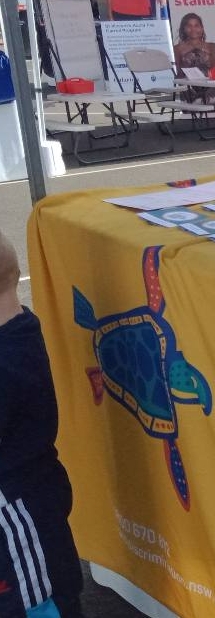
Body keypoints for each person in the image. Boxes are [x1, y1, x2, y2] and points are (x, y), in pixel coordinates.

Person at [0, 230, 85, 618]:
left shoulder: (7, 362)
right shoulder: (19, 327)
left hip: (18, 523)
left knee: (38, 605)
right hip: (29, 503)